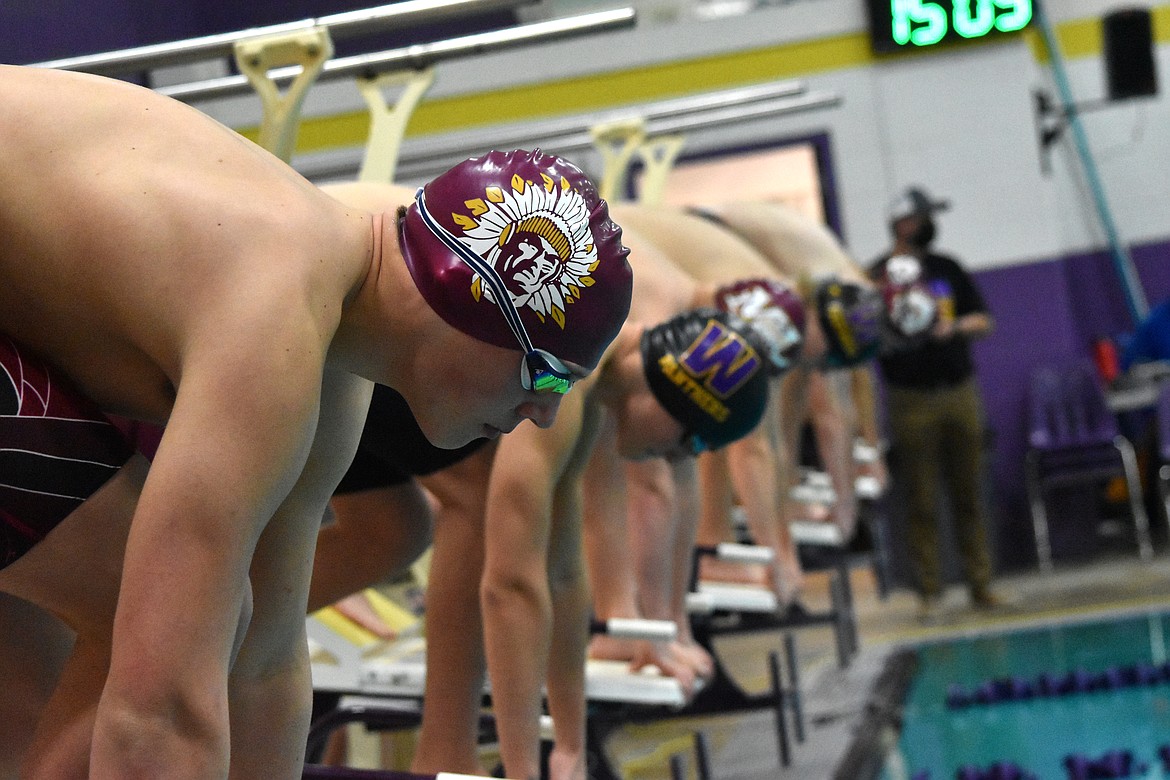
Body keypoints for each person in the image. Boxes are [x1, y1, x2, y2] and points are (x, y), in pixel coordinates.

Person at [0, 64, 634, 778]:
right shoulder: (275, 312)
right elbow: (162, 704)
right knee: (140, 621)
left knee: (51, 699)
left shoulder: (336, 360)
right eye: (547, 373)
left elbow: (265, 663)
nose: (546, 414)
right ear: (473, 310)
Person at [867, 186, 1001, 622]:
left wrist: (955, 325)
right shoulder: (876, 277)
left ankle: (981, 584)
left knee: (970, 492)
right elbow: (863, 337)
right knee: (920, 498)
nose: (929, 225)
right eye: (923, 217)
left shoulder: (947, 268)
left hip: (958, 391)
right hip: (910, 399)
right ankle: (928, 591)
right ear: (904, 224)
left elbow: (985, 321)